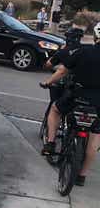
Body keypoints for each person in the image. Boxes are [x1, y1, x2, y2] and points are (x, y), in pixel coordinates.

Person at [40, 21, 100, 187]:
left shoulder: (83, 51)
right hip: (98, 103)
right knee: (95, 137)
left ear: (95, 36)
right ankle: (82, 175)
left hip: (77, 96)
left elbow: (62, 71)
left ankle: (51, 143)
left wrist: (48, 82)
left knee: (55, 110)